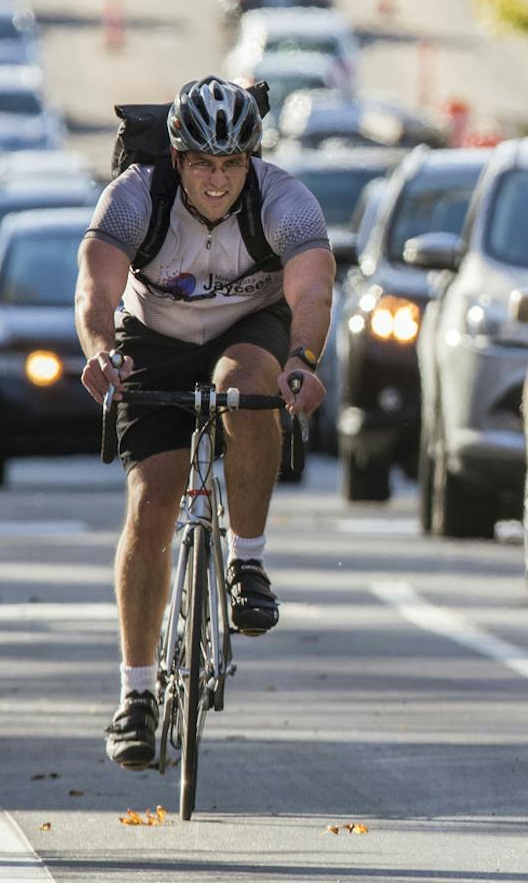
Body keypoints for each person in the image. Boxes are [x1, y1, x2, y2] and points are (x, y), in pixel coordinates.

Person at [75, 76, 335, 769]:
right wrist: (100, 350)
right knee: (153, 502)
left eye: (231, 164)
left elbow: (311, 288)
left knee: (243, 389)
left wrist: (303, 362)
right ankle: (135, 697)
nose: (216, 180)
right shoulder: (136, 195)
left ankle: (246, 564)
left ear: (251, 160)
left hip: (247, 331)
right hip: (152, 339)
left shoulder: (284, 199)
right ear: (176, 157)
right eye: (201, 163)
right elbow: (97, 282)